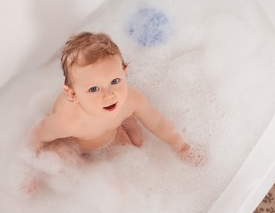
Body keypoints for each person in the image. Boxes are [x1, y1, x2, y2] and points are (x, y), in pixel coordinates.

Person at [30, 32, 201, 166]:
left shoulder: (131, 100)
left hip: (110, 134)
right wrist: (26, 170)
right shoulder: (68, 122)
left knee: (135, 150)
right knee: (60, 160)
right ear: (73, 95)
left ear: (124, 71)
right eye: (94, 89)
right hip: (72, 146)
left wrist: (182, 147)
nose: (109, 95)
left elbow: (158, 123)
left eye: (115, 81)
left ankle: (125, 124)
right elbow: (37, 135)